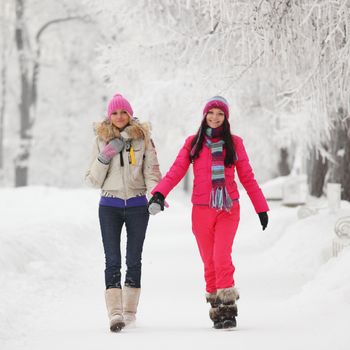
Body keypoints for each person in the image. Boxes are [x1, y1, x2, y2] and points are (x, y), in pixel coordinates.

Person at [148, 96, 269, 329]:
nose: (215, 117)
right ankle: (216, 308)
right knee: (209, 262)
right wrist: (159, 194)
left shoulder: (235, 143)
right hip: (201, 211)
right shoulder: (193, 143)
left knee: (221, 257)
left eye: (220, 114)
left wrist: (261, 208)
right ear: (204, 115)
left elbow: (247, 177)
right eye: (211, 113)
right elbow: (176, 171)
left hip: (227, 209)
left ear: (226, 118)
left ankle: (228, 309)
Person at [85, 93, 161, 332]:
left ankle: (130, 312)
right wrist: (105, 155)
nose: (119, 117)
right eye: (115, 113)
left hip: (138, 206)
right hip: (110, 206)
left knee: (134, 259)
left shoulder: (143, 138)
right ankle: (115, 313)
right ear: (110, 116)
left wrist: (157, 195)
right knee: (112, 260)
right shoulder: (101, 139)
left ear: (130, 114)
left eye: (123, 112)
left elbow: (151, 170)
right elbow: (93, 180)